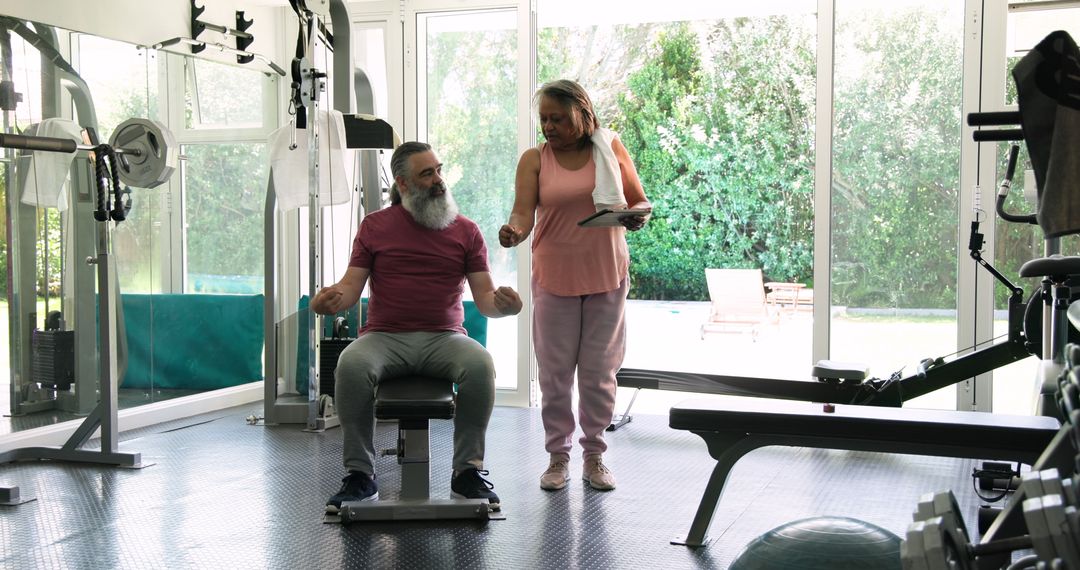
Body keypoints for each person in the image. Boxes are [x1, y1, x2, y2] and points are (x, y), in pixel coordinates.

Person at [314, 141, 523, 513]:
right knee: (350, 364)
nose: (439, 180)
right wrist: (327, 300)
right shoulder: (375, 227)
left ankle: (467, 472)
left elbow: (486, 298)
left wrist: (505, 307)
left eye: (439, 170)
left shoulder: (466, 231)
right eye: (427, 174)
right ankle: (360, 474)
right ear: (404, 184)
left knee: (480, 365)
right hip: (384, 337)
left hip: (444, 338)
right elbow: (349, 288)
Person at [499, 79, 651, 492]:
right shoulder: (534, 159)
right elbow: (521, 214)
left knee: (599, 374)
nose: (548, 126)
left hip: (606, 274)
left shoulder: (609, 147)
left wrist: (637, 216)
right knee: (555, 375)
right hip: (554, 276)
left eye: (557, 119)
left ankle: (595, 455)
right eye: (544, 119)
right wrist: (513, 232)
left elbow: (639, 201)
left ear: (581, 115)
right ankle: (557, 457)